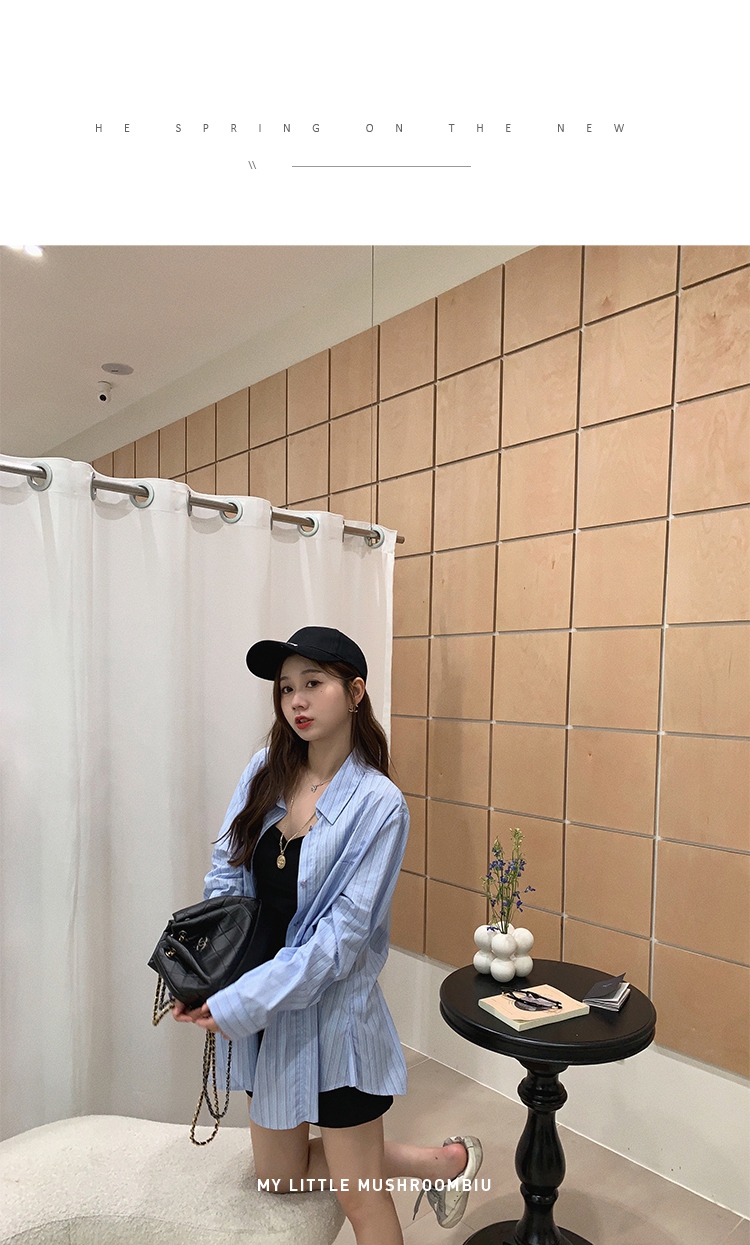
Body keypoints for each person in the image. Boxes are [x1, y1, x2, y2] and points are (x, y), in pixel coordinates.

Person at [172, 626, 483, 1243]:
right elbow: (225, 874)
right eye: (287, 688)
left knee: (360, 1196)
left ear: (356, 692)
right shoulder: (265, 771)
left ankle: (438, 1164)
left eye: (313, 683)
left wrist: (242, 1000)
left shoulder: (379, 804)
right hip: (267, 1014)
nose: (297, 701)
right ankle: (442, 1163)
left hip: (335, 1019)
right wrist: (210, 972)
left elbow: (340, 941)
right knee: (278, 1177)